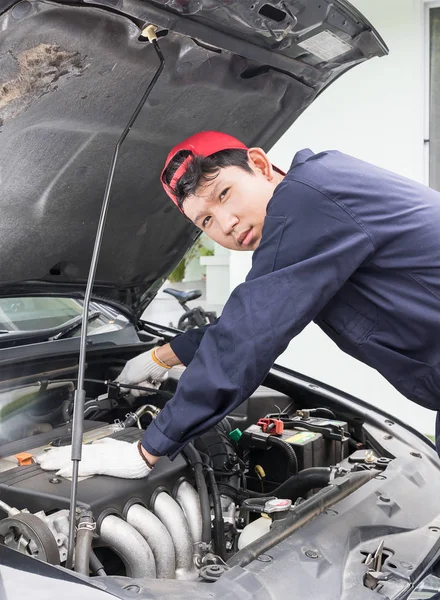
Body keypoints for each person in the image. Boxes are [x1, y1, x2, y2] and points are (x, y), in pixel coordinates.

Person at [37, 131, 440, 478]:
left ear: (260, 165)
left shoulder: (309, 200)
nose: (225, 223)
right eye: (206, 221)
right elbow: (258, 316)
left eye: (225, 194)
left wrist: (145, 450)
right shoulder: (318, 196)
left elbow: (250, 334)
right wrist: (163, 356)